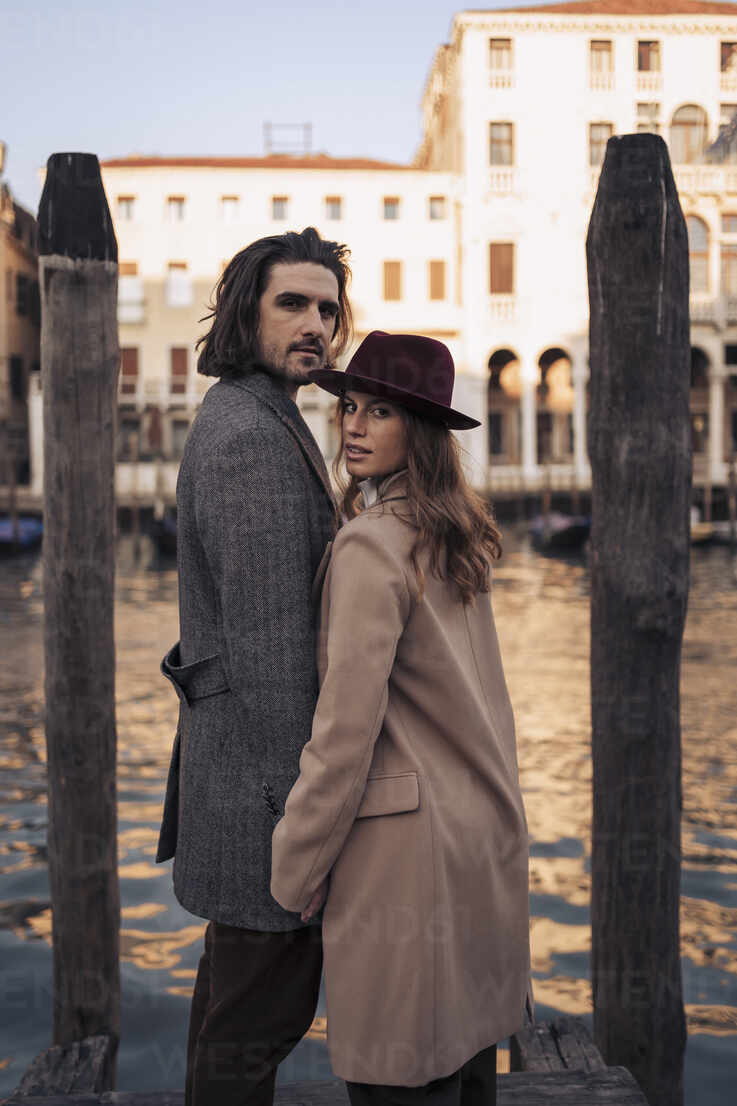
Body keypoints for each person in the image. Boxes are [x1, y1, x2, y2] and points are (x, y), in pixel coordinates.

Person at [270, 330, 533, 1106]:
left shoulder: (370, 546)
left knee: (396, 1078)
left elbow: (342, 734)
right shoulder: (457, 537)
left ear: (415, 429)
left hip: (406, 857)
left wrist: (294, 866)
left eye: (378, 411)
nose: (352, 425)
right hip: (482, 829)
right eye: (348, 406)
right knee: (466, 1064)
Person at [154, 227, 353, 1106]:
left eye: (327, 308)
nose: (316, 323)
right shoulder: (250, 437)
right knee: (250, 1031)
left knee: (232, 1024)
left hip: (242, 787)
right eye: (293, 304)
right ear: (246, 311)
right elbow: (270, 655)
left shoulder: (260, 412)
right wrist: (303, 824)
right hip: (262, 803)